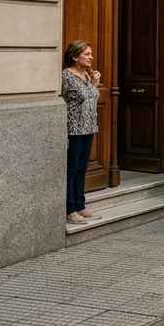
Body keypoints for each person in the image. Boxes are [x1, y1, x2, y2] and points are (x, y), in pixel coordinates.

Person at [61, 40, 102, 225]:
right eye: (87, 54)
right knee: (72, 168)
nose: (91, 57)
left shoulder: (87, 74)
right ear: (75, 56)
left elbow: (92, 98)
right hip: (74, 129)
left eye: (91, 54)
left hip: (89, 127)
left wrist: (94, 83)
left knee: (82, 168)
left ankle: (80, 205)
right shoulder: (66, 76)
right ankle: (69, 209)